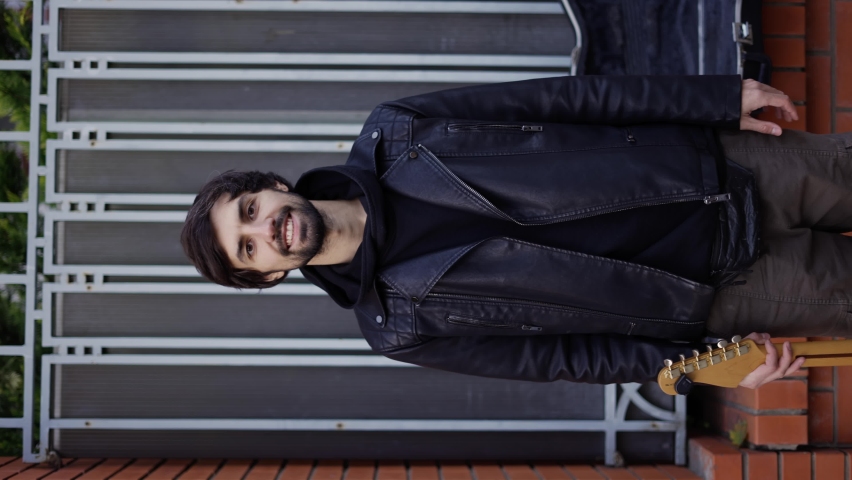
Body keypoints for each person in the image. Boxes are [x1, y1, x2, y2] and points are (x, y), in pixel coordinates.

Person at [181, 75, 852, 393]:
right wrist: (710, 369)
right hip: (722, 288)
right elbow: (564, 359)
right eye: (249, 248)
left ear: (268, 185)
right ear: (268, 274)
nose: (265, 228)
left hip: (723, 167)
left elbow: (562, 100)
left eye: (247, 208)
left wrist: (707, 99)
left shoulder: (399, 129)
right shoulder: (397, 326)